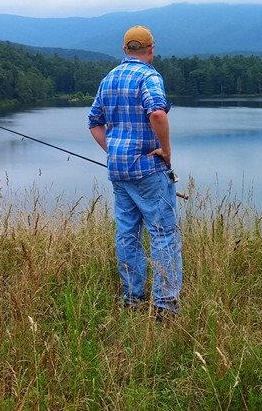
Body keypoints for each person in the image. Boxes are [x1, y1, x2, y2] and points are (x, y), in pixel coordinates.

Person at [87, 25, 182, 321]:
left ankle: (132, 299)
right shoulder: (149, 76)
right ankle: (164, 307)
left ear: (125, 49)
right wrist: (166, 151)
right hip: (148, 169)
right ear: (151, 49)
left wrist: (115, 151)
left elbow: (94, 123)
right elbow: (157, 113)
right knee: (163, 234)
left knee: (127, 234)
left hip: (119, 171)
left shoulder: (109, 78)